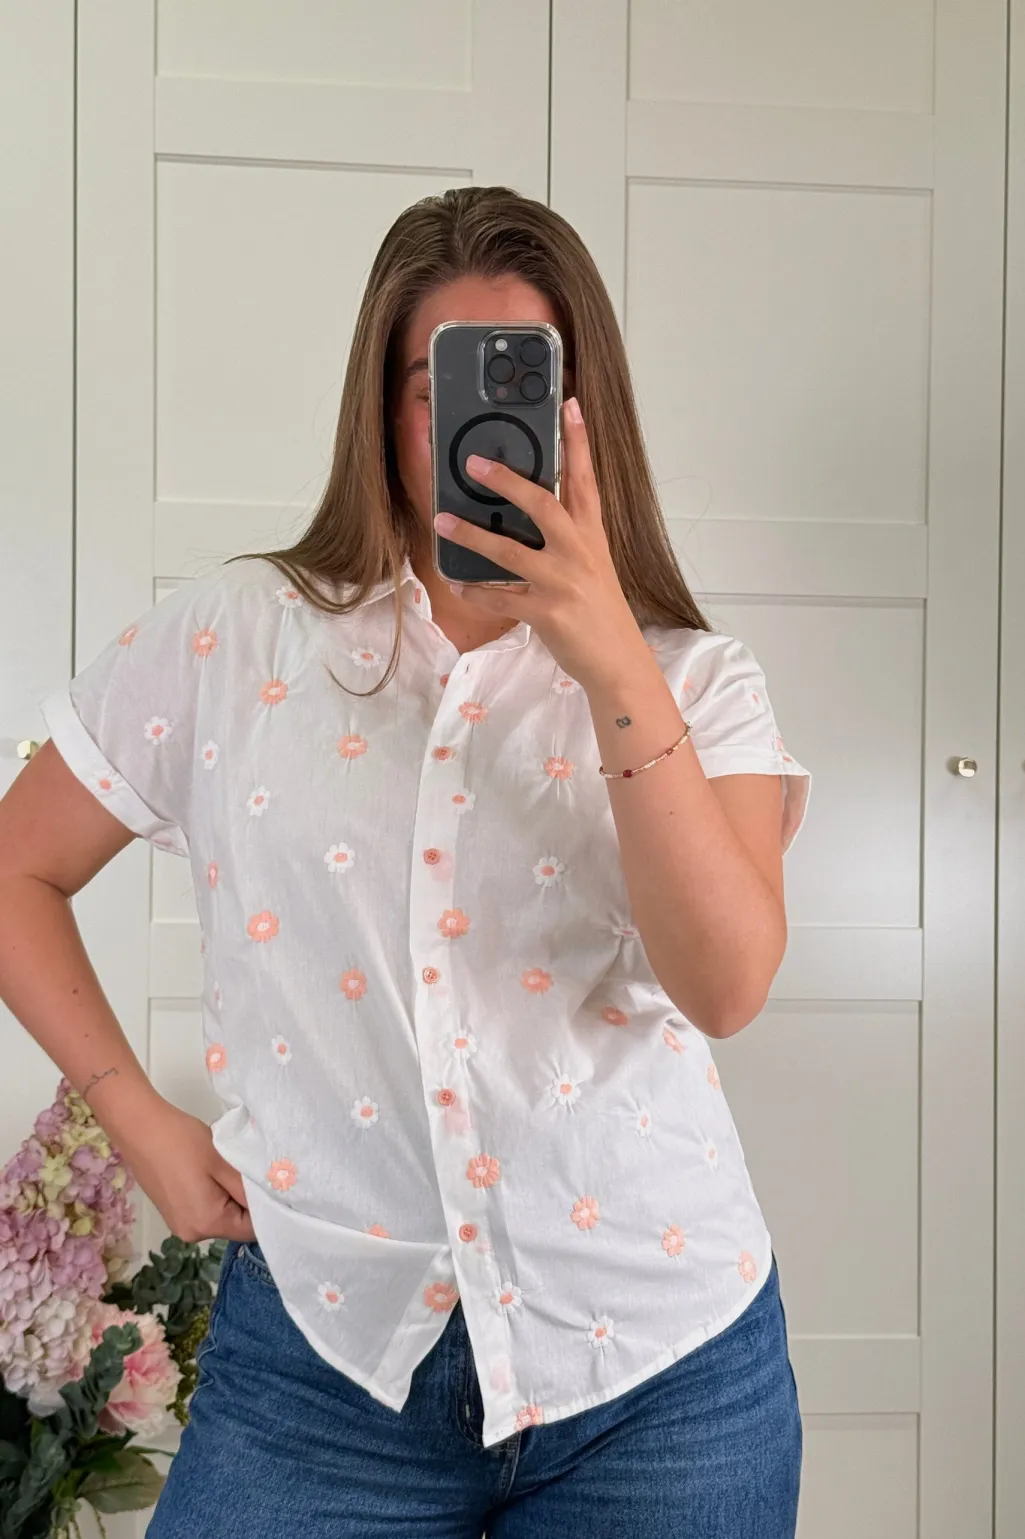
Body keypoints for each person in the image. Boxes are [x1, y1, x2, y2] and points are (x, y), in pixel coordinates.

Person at [0, 186, 811, 1537]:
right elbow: (13, 868)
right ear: (383, 411)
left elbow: (725, 985)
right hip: (318, 1372)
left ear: (585, 418)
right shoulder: (232, 639)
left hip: (662, 1384)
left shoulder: (696, 684)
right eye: (442, 387)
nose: (482, 434)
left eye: (524, 387)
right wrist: (135, 1120)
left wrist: (611, 664)